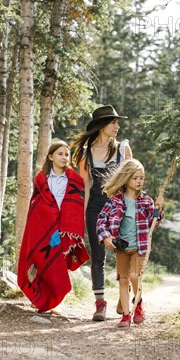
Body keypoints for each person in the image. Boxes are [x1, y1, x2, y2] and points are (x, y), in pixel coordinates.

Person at [71, 104, 132, 321]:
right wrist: (83, 216)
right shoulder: (85, 155)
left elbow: (131, 184)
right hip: (96, 207)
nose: (117, 126)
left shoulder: (123, 150)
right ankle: (100, 304)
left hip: (118, 207)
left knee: (125, 253)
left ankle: (123, 296)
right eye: (113, 122)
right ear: (101, 125)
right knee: (98, 257)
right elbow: (86, 187)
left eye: (117, 122)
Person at [17, 141, 90, 313]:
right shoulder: (41, 178)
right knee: (42, 261)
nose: (64, 157)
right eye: (60, 154)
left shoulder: (73, 179)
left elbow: (77, 203)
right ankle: (42, 298)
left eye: (66, 154)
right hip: (43, 228)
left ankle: (56, 301)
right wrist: (44, 218)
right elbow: (36, 204)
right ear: (50, 157)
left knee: (59, 263)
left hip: (64, 227)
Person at [96, 158, 164, 328]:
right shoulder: (115, 201)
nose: (139, 181)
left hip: (139, 248)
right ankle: (126, 316)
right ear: (126, 178)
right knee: (124, 281)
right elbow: (100, 220)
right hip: (121, 249)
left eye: (142, 178)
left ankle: (138, 303)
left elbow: (153, 224)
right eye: (135, 178)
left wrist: (159, 210)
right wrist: (106, 237)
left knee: (135, 276)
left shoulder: (146, 201)